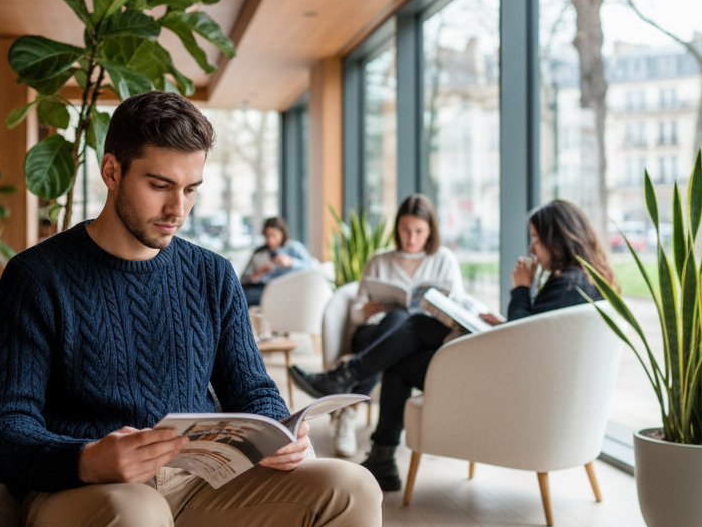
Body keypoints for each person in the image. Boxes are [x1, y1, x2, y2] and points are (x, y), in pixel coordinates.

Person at [0, 91, 381, 527]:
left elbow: (251, 388)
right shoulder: (37, 278)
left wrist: (280, 431)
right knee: (136, 513)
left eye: (191, 189)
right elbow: (1, 432)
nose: (177, 208)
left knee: (353, 489)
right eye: (160, 185)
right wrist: (87, 459)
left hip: (196, 488)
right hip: (80, 499)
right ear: (111, 171)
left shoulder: (212, 275)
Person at [343, 198, 617, 491]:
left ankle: (357, 399)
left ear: (558, 239)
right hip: (531, 381)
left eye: (537, 240)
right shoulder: (583, 281)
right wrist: (504, 324)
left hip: (514, 385)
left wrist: (522, 288)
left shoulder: (567, 285)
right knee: (416, 329)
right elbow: (537, 334)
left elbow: (524, 343)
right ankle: (364, 416)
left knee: (405, 352)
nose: (532, 249)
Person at [288, 194, 463, 462]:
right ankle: (379, 451)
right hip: (374, 332)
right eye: (405, 229)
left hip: (421, 336)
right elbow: (356, 313)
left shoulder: (444, 260)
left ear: (430, 231)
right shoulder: (380, 260)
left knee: (403, 324)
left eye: (419, 231)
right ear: (397, 228)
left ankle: (345, 388)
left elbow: (456, 307)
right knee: (396, 320)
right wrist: (367, 310)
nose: (411, 237)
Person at [239, 216, 315, 306]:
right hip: (262, 287)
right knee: (239, 293)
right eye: (267, 236)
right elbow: (243, 279)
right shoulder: (259, 252)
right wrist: (258, 273)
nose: (270, 240)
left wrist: (290, 262)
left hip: (285, 288)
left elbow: (311, 267)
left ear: (282, 233)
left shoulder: (293, 248)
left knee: (244, 297)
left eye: (273, 235)